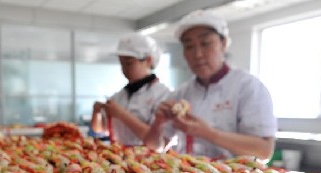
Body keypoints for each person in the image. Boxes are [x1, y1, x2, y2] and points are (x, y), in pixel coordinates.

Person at [144, 10, 277, 160]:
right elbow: (154, 147)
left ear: (224, 43)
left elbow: (264, 150)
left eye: (205, 43)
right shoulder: (181, 93)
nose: (198, 54)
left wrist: (209, 134)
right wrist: (158, 123)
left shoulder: (248, 87)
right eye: (189, 47)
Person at [90, 32, 171, 146]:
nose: (124, 69)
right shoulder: (119, 96)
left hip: (150, 158)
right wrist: (96, 112)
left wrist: (122, 115)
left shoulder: (163, 95)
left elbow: (157, 142)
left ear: (148, 60)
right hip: (121, 156)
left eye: (129, 63)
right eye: (122, 64)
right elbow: (100, 129)